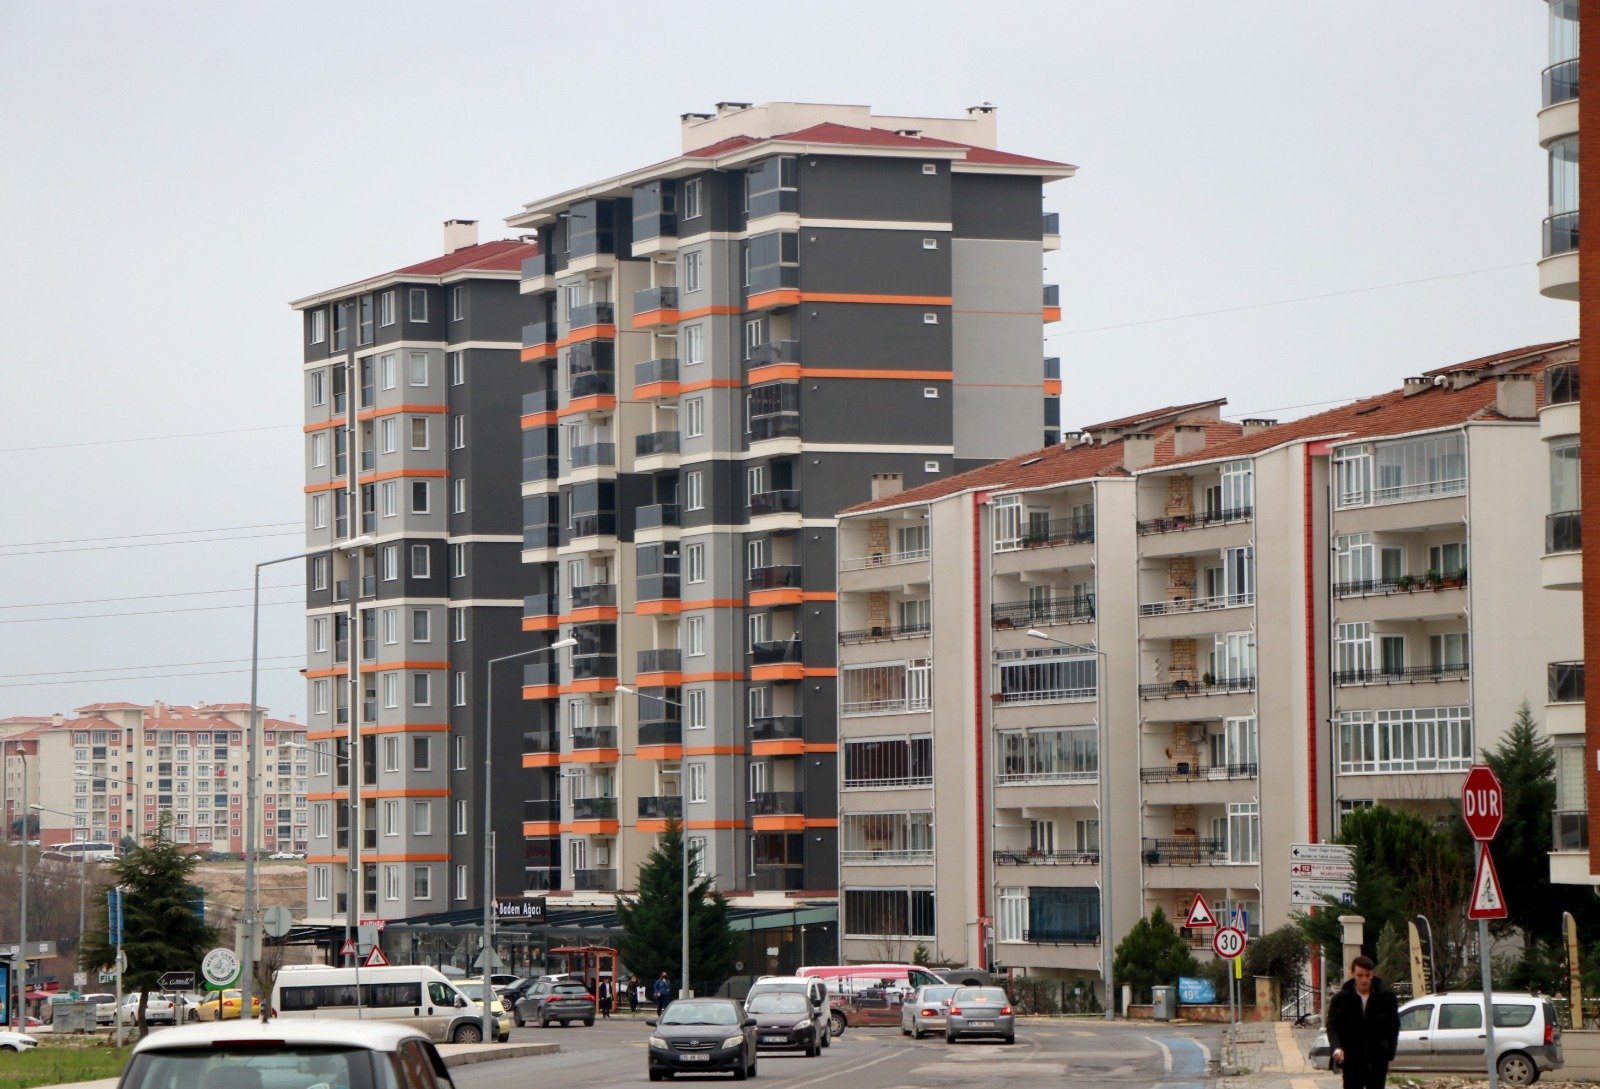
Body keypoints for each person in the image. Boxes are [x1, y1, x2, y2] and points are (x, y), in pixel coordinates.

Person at [1326, 955, 1400, 1089]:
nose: (1364, 980)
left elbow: (1394, 1025)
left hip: (1378, 1059)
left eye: (1367, 975)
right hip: (1352, 1060)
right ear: (1352, 974)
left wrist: (1389, 1051)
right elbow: (1332, 1025)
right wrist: (1337, 1047)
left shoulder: (1387, 998)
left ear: (1373, 974)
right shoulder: (1341, 1000)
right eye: (1360, 975)